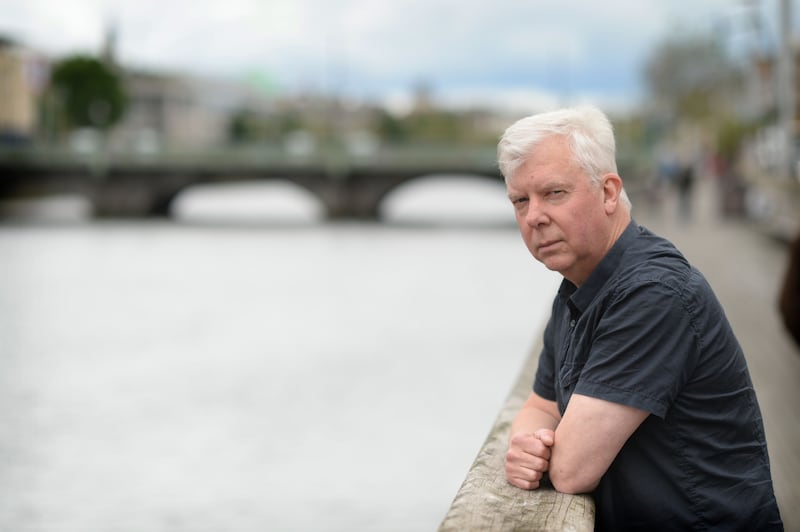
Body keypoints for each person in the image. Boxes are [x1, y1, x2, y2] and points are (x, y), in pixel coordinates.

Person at [498, 105, 783, 531]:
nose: (534, 215)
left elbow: (572, 468)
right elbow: (539, 406)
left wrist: (543, 451)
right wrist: (526, 445)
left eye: (554, 193)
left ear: (609, 192)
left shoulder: (653, 293)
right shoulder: (577, 286)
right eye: (520, 200)